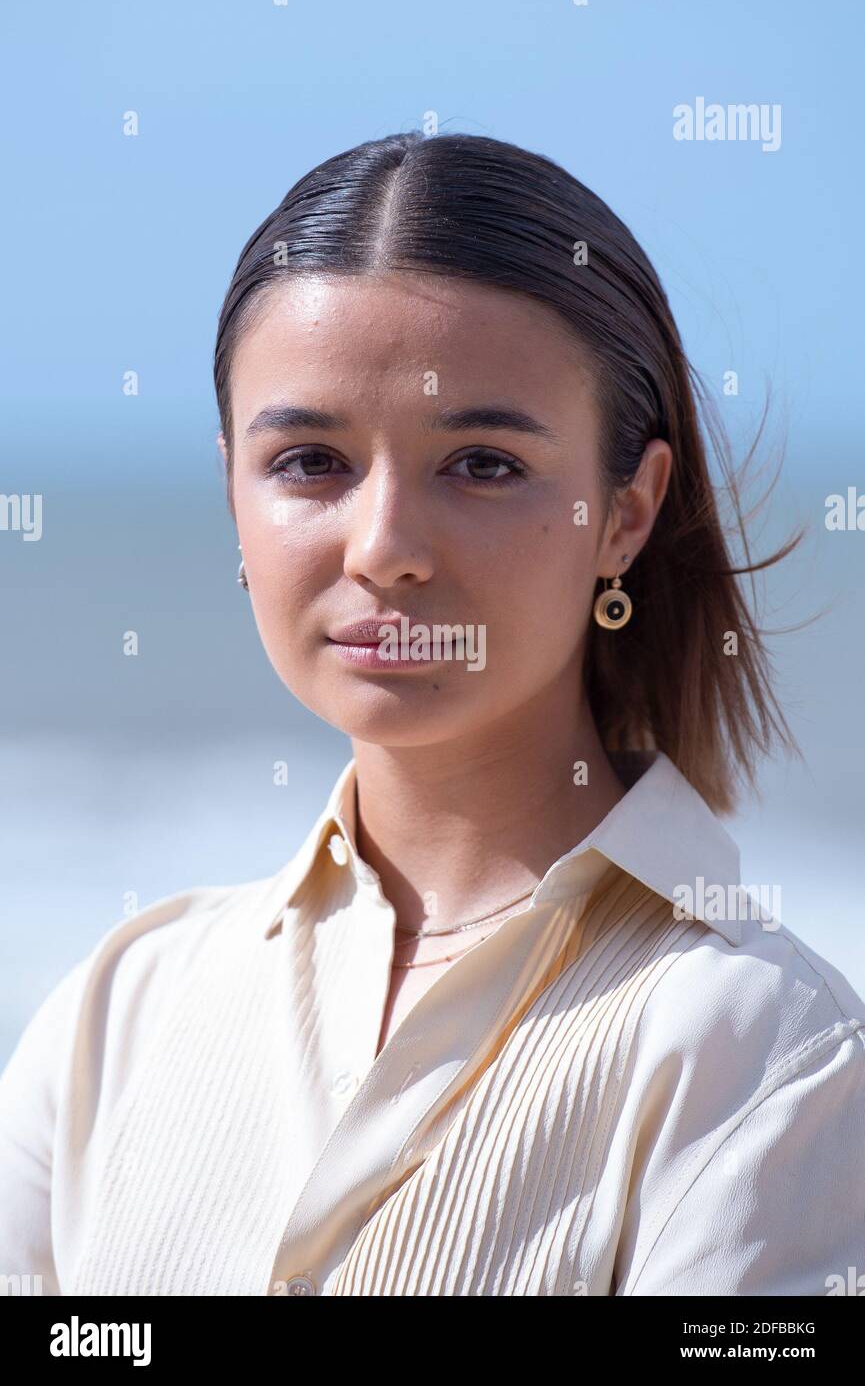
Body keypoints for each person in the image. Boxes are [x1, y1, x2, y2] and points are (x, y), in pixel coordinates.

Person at [1, 131, 863, 1297]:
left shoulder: (759, 1047)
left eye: (484, 464)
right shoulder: (117, 1014)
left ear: (626, 510)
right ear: (230, 494)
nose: (385, 548)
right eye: (310, 461)